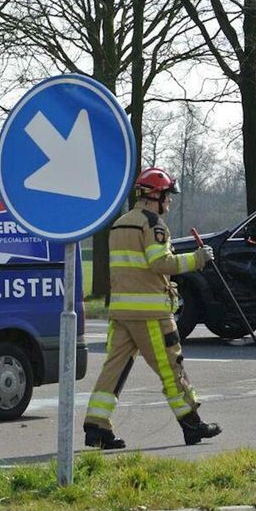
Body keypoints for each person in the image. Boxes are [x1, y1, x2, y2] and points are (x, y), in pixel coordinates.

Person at [82, 167, 222, 449]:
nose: (169, 202)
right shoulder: (154, 224)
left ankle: (96, 426)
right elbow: (160, 264)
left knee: (114, 369)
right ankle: (192, 425)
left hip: (121, 312)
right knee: (172, 367)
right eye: (167, 196)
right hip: (150, 314)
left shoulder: (120, 223)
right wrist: (198, 259)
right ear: (154, 195)